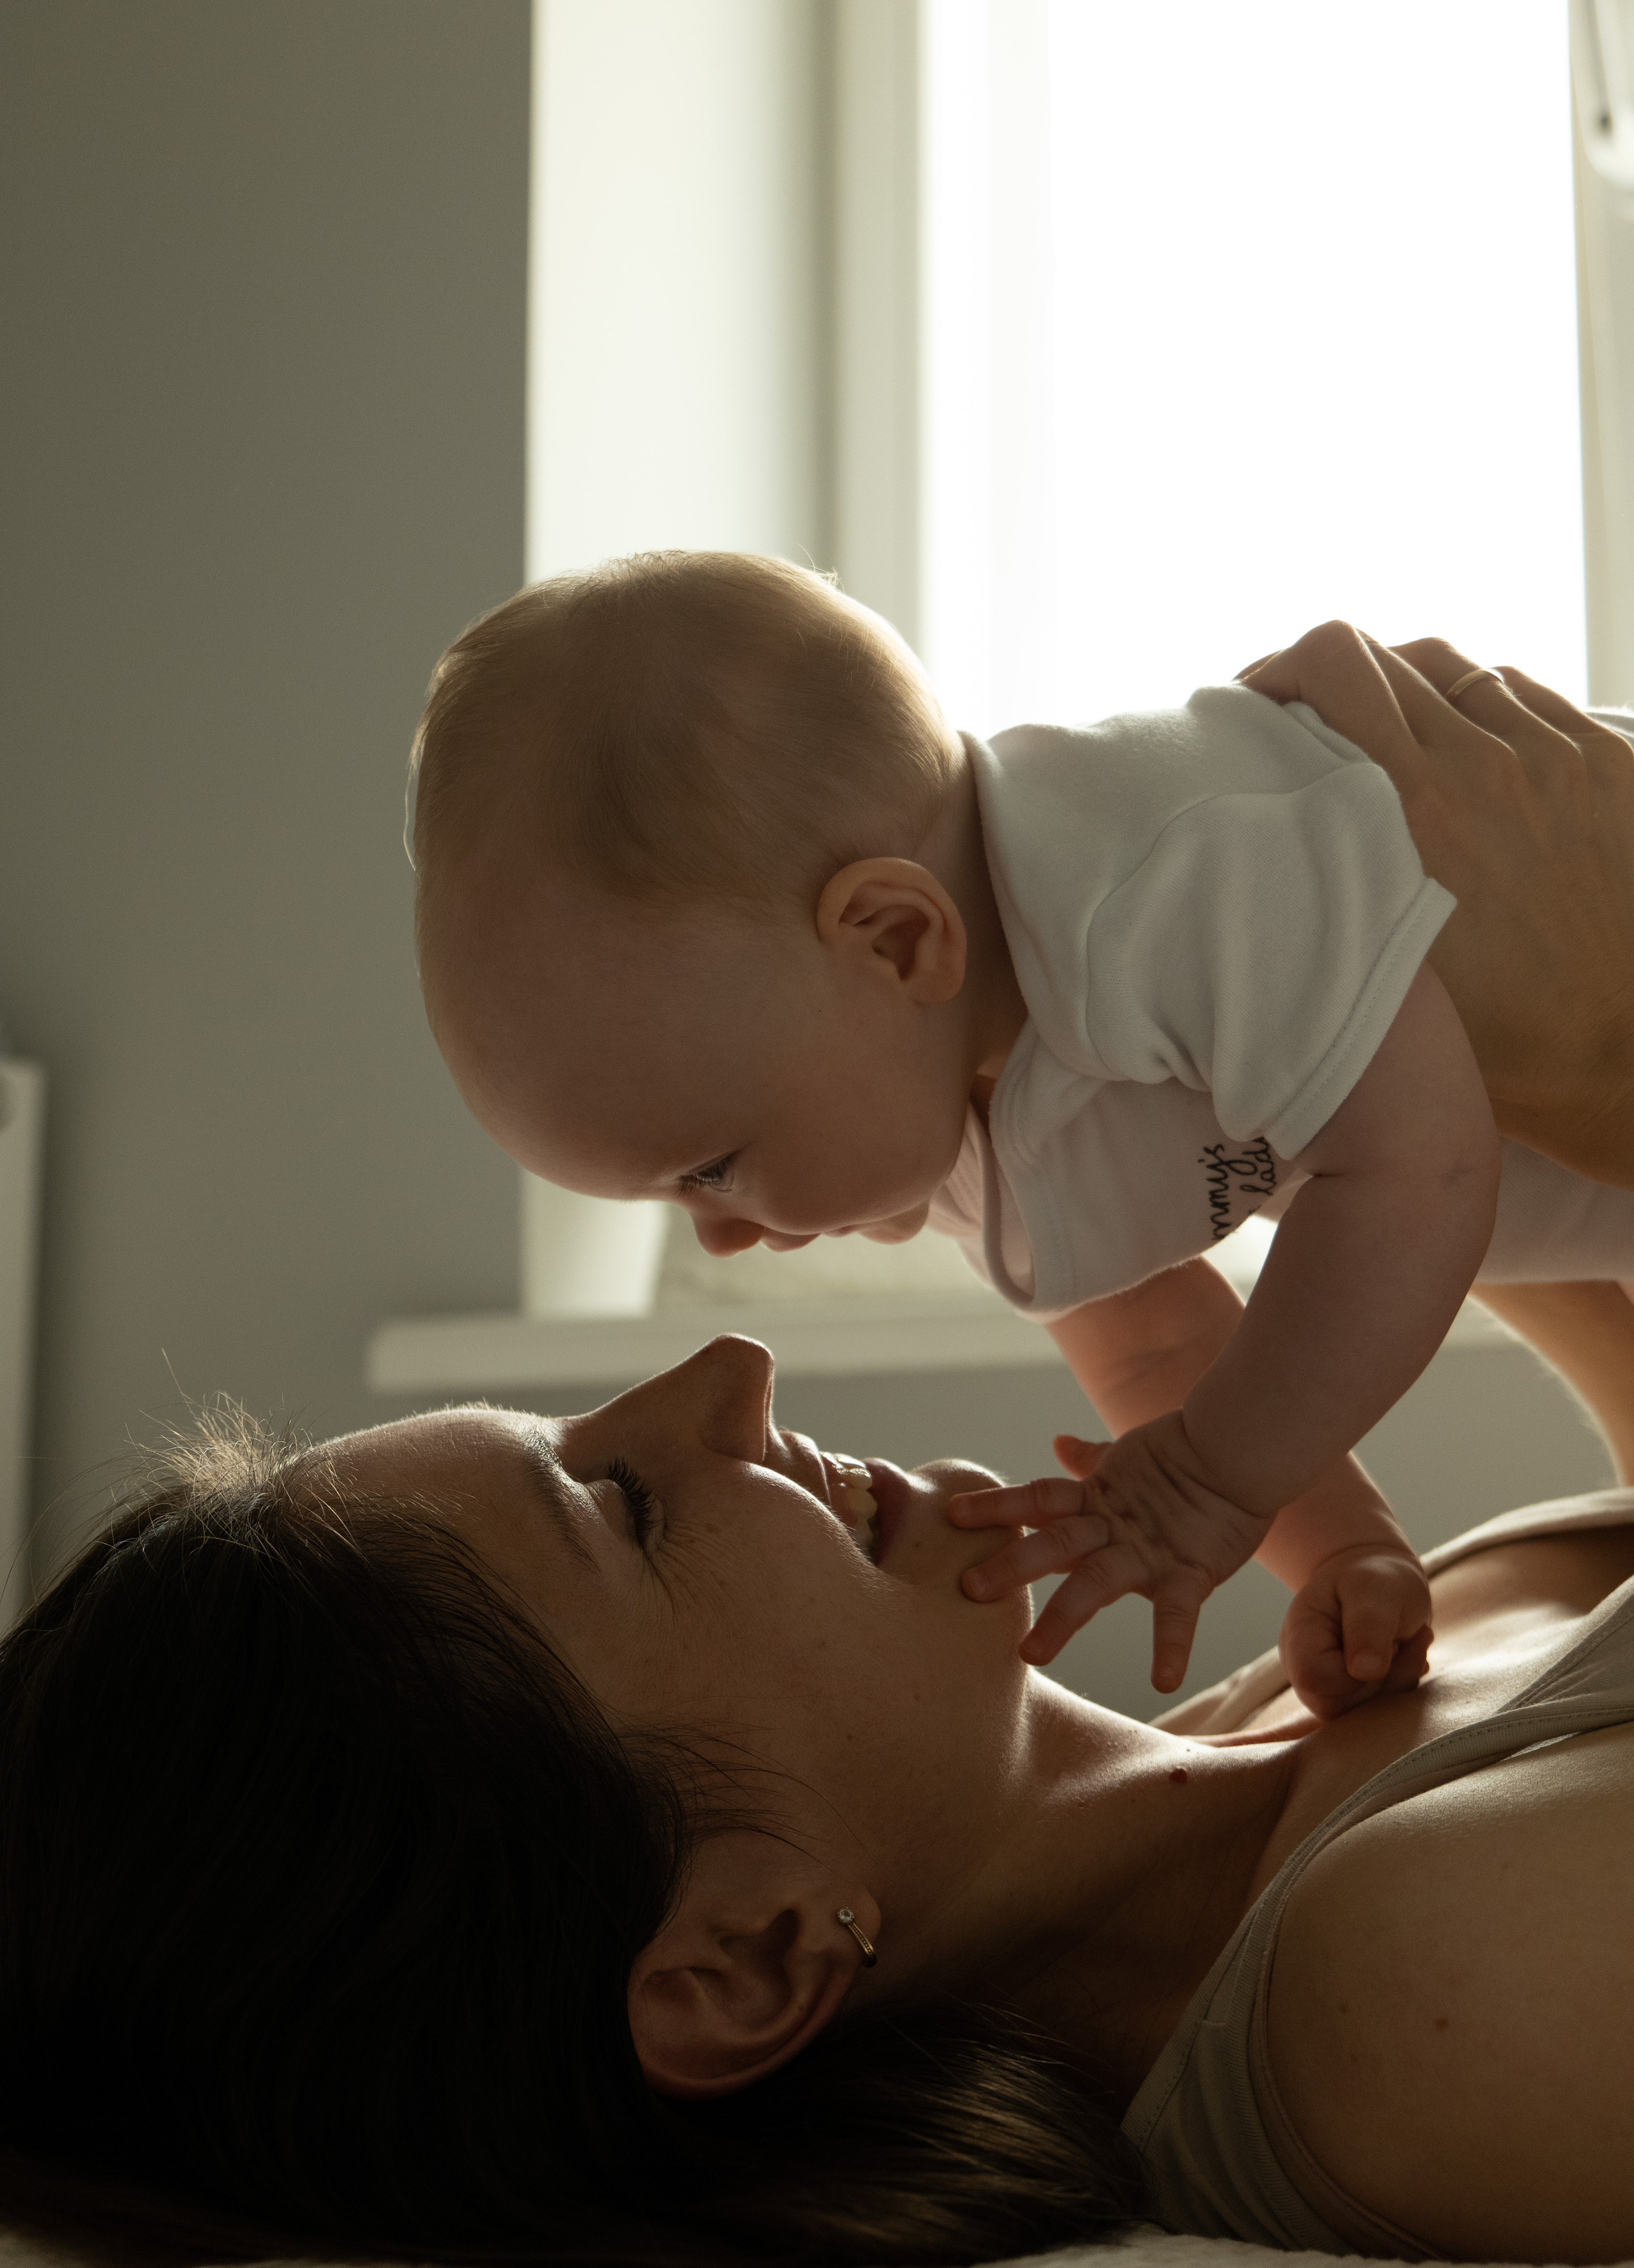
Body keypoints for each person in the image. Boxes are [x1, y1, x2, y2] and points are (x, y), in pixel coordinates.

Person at [4, 1329, 1634, 2268]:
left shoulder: (1290, 1694)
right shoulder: (1411, 1998)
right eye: (628, 1508)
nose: (727, 1371)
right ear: (747, 1959)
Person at [409, 553, 1634, 1718]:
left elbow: (1417, 1174)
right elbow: (1158, 1345)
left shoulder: (1165, 871)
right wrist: (1345, 1547)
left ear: (895, 939)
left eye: (710, 1168)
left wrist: (1215, 1481)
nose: (725, 1238)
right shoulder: (942, 1100)